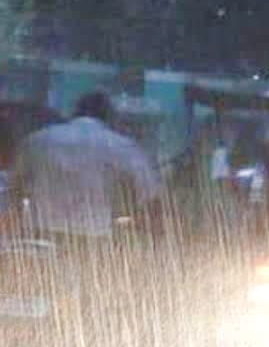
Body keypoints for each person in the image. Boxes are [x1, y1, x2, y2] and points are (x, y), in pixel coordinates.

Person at [14, 91, 166, 245]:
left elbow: (13, 185)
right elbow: (150, 192)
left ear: (74, 112)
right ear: (108, 117)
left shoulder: (37, 140)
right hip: (92, 239)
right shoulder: (120, 145)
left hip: (40, 234)